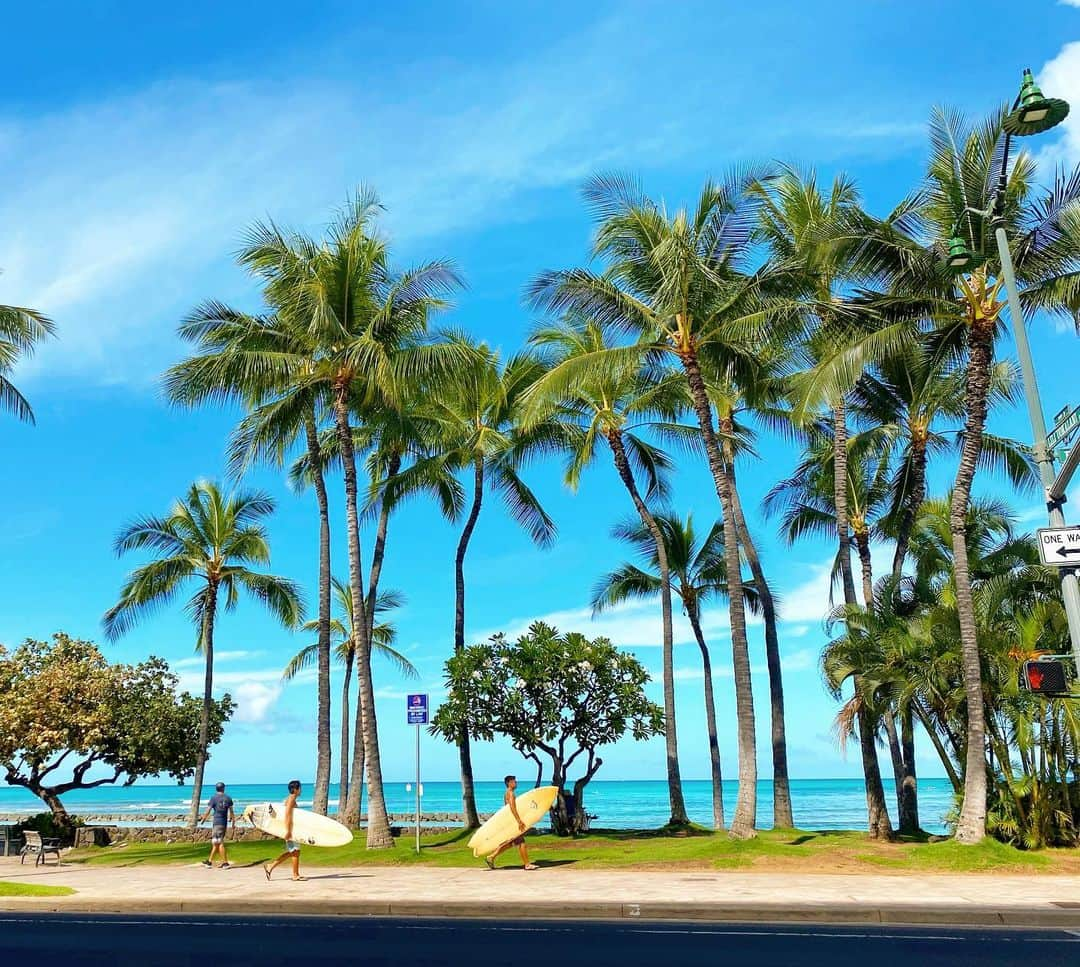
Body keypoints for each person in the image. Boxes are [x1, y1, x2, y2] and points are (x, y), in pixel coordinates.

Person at [484, 775, 538, 871]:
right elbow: (512, 808)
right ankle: (527, 864)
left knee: (511, 843)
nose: (516, 783)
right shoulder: (510, 793)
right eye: (514, 781)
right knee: (521, 842)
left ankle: (491, 857)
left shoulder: (507, 793)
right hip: (513, 821)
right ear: (509, 783)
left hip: (510, 821)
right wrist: (519, 821)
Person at [264, 779, 304, 882]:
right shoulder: (290, 800)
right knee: (294, 851)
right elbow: (287, 816)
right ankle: (295, 875)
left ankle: (270, 867)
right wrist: (288, 831)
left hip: (292, 828)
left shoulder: (291, 799)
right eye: (300, 788)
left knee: (294, 852)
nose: (301, 790)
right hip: (289, 829)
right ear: (295, 789)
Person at [198, 781, 235, 869]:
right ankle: (209, 862)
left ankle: (225, 863)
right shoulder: (228, 798)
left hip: (217, 823)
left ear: (216, 788)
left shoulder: (214, 798)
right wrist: (233, 821)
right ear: (223, 788)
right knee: (216, 843)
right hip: (223, 823)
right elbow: (231, 811)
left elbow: (208, 809)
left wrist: (203, 819)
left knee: (219, 842)